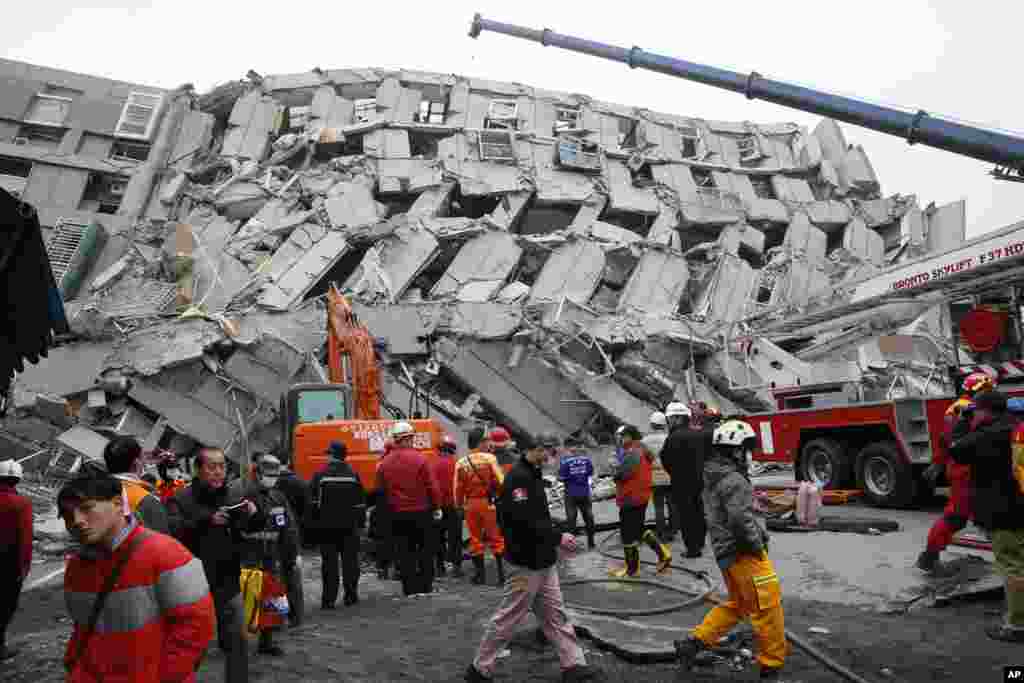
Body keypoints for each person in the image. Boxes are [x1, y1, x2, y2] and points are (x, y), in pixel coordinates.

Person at [464, 432, 597, 683]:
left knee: (556, 615)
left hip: (542, 560)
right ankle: (479, 669)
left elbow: (536, 516)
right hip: (525, 563)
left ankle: (574, 665)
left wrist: (554, 533)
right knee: (508, 617)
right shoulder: (519, 479)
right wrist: (558, 537)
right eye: (550, 452)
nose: (552, 457)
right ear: (537, 448)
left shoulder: (531, 475)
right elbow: (524, 521)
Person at [58, 472, 215, 681]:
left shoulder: (167, 554)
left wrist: (165, 676)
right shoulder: (77, 567)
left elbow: (197, 628)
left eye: (86, 508)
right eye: (68, 515)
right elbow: (83, 628)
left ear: (117, 504)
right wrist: (75, 666)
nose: (76, 521)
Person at [674, 419, 788, 680]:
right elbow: (739, 520)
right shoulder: (734, 480)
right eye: (747, 449)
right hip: (743, 553)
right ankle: (771, 667)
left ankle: (693, 644)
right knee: (768, 607)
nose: (749, 455)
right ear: (736, 450)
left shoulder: (714, 475)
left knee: (739, 605)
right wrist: (757, 545)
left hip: (727, 555)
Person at [166, 447, 256, 683]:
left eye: (222, 467)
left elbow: (244, 530)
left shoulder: (231, 496)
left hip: (228, 580)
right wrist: (207, 521)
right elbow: (173, 532)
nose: (218, 472)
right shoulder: (181, 498)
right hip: (193, 584)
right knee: (192, 646)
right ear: (198, 470)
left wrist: (253, 515)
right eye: (212, 467)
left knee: (237, 641)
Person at [949, 390, 1024, 641]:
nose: (974, 415)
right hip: (1018, 505)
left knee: (1012, 566)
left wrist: (962, 420)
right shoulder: (1016, 426)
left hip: (1004, 512)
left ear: (985, 411)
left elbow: (956, 450)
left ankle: (1017, 626)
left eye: (976, 410)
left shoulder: (987, 435)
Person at [917, 372, 995, 573]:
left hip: (963, 468)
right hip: (967, 470)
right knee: (958, 516)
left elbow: (944, 439)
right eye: (989, 389)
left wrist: (938, 463)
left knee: (981, 513)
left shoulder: (957, 408)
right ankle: (929, 556)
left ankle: (930, 555)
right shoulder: (970, 409)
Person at [232, 454, 300, 656]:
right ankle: (236, 642)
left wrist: (292, 552)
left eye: (275, 475)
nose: (273, 479)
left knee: (271, 600)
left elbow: (288, 527)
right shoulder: (244, 495)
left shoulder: (278, 497)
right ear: (258, 473)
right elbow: (238, 527)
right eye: (269, 475)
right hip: (248, 556)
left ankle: (267, 641)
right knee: (244, 601)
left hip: (271, 555)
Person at [377, 422, 442, 596]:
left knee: (404, 551)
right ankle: (426, 587)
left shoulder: (384, 463)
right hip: (421, 512)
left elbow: (381, 492)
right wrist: (436, 506)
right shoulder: (420, 459)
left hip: (397, 514)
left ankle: (409, 588)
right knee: (424, 550)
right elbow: (432, 486)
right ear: (408, 438)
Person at [308, 441, 366, 608]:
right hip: (349, 526)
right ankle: (351, 596)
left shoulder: (320, 475)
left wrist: (313, 526)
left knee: (329, 565)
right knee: (350, 562)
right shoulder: (353, 474)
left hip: (327, 527)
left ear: (331, 455)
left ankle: (328, 600)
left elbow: (312, 503)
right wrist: (360, 525)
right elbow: (360, 503)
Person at [610, 426, 671, 577]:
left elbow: (620, 475)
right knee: (638, 529)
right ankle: (663, 555)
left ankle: (632, 569)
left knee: (628, 533)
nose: (620, 439)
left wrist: (613, 467)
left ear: (630, 437)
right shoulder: (642, 450)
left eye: (622, 436)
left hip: (630, 497)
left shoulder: (633, 453)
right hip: (641, 496)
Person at [455, 426, 507, 586]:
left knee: (475, 540)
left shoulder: (461, 462)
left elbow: (457, 488)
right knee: (496, 539)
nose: (488, 443)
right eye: (486, 440)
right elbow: (500, 481)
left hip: (470, 505)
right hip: (488, 504)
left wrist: (459, 506)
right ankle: (502, 577)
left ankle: (480, 577)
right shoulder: (489, 459)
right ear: (480, 442)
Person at [661, 401, 708, 558]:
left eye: (670, 418)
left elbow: (665, 459)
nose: (668, 422)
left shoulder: (673, 437)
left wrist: (676, 473)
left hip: (681, 482)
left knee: (686, 515)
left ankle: (693, 549)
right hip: (699, 480)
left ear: (677, 419)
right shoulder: (698, 434)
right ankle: (700, 541)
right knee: (698, 510)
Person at [103, 435, 169, 534]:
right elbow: (164, 542)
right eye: (143, 456)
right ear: (136, 463)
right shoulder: (146, 500)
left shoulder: (96, 487)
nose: (145, 461)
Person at [0, 459, 31, 661]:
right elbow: (25, 538)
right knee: (4, 606)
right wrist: (24, 568)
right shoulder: (21, 504)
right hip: (7, 566)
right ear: (17, 479)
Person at [275, 458, 310, 627]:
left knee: (277, 580)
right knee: (292, 577)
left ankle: (278, 618)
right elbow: (307, 508)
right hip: (293, 533)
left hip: (274, 539)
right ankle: (296, 617)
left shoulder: (269, 488)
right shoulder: (300, 483)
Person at [432, 433, 463, 577]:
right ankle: (456, 567)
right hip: (454, 505)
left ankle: (439, 568)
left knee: (438, 536)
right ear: (452, 449)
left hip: (437, 506)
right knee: (455, 537)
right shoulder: (458, 464)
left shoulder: (432, 464)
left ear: (440, 449)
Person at [558, 435, 596, 550]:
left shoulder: (565, 461)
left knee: (571, 520)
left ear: (567, 447)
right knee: (589, 517)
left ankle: (572, 545)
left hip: (571, 494)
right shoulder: (586, 460)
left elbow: (560, 477)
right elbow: (591, 473)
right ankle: (591, 542)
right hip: (585, 493)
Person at [643, 411, 674, 543]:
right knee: (672, 505)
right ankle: (672, 531)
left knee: (659, 506)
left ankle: (661, 533)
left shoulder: (644, 441)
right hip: (670, 475)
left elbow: (643, 460)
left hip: (654, 477)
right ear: (664, 424)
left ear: (651, 424)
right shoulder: (670, 438)